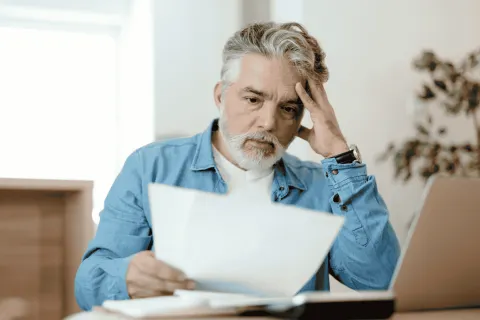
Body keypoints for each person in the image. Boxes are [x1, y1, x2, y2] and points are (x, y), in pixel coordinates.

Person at [74, 21, 400, 311]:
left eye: (288, 108)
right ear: (220, 96)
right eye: (253, 99)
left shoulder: (319, 185)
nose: (269, 122)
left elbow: (380, 281)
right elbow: (88, 283)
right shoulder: (151, 166)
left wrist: (341, 158)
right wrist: (127, 277)